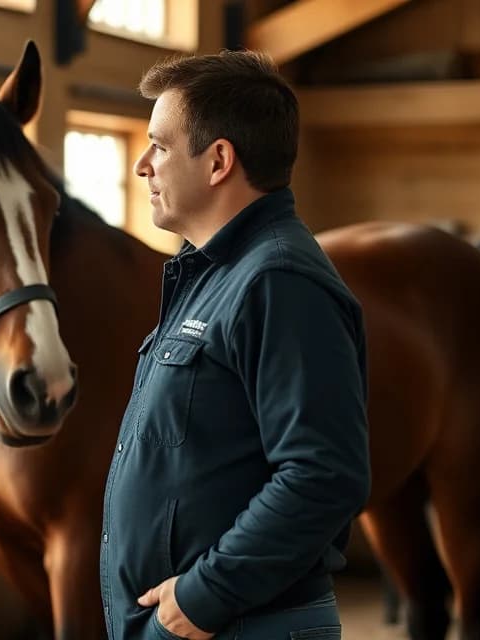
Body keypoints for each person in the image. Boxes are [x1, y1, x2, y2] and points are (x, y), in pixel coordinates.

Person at [100, 51, 370, 640]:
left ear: (219, 160)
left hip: (242, 624)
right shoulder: (214, 274)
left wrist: (204, 595)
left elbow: (324, 473)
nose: (143, 165)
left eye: (160, 146)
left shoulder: (278, 280)